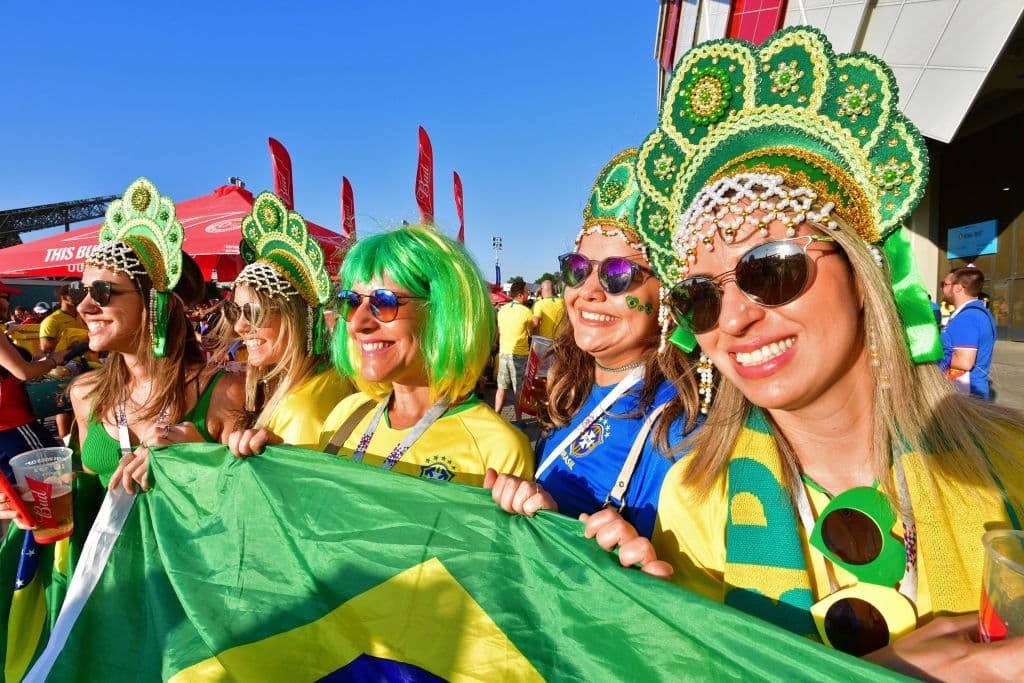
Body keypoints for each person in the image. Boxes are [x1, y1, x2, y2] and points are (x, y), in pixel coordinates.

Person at [584, 28, 1024, 678]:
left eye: (773, 268)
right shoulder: (694, 503)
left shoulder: (1007, 465)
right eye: (700, 295)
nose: (733, 317)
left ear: (863, 273)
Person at [486, 149, 700, 538]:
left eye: (619, 273)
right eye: (578, 269)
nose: (588, 290)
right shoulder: (570, 383)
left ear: (667, 293)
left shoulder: (678, 426)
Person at [317, 225, 533, 487]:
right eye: (350, 302)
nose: (357, 322)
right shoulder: (345, 415)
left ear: (442, 314)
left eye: (384, 302)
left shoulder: (497, 449)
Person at [66, 178, 244, 492]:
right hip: (116, 541)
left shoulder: (224, 393)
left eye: (102, 292)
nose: (83, 306)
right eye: (80, 291)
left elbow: (246, 499)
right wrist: (45, 495)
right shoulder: (85, 393)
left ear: (155, 303)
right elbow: (96, 487)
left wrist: (206, 458)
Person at [213, 192, 352, 456]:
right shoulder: (322, 380)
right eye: (234, 311)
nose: (240, 326)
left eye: (254, 312)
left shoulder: (303, 407)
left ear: (295, 316)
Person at [0, 282, 74, 482]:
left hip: (8, 425)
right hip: (13, 424)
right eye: (5, 297)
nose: (9, 303)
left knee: (17, 491)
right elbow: (23, 372)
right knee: (51, 480)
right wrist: (56, 359)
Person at [939, 266, 996, 400]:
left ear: (958, 287)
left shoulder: (968, 317)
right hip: (971, 392)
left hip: (965, 395)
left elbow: (964, 361)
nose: (942, 288)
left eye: (945, 284)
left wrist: (933, 356)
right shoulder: (977, 312)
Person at [494, 281, 532, 421]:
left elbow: (499, 330)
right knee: (518, 390)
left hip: (503, 352)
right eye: (527, 292)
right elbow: (531, 333)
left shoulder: (502, 310)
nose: (528, 294)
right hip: (519, 354)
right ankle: (519, 420)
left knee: (501, 387)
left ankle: (496, 415)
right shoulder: (527, 312)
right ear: (520, 295)